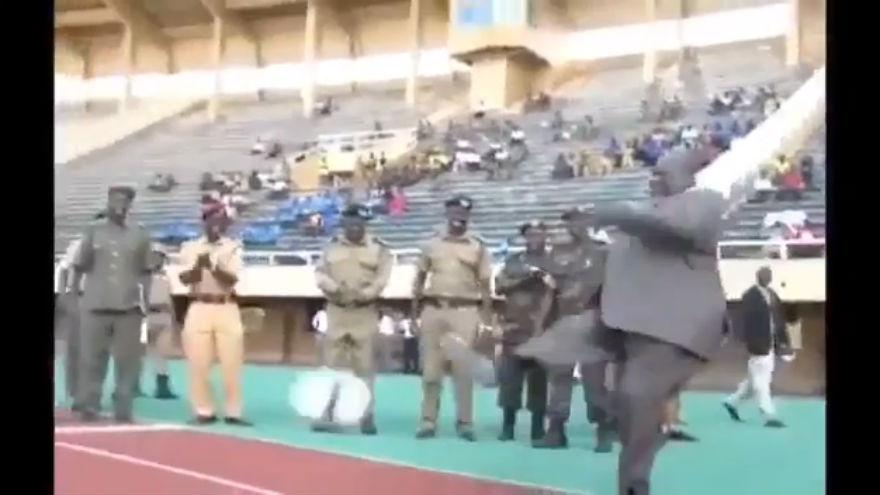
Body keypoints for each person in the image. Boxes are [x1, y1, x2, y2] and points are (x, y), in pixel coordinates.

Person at [593, 148, 728, 495]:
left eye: (662, 174)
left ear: (686, 177)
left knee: (637, 395)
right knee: (627, 403)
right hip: (632, 327)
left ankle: (634, 485)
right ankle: (651, 443)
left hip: (673, 326)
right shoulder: (643, 218)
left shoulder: (703, 202)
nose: (653, 180)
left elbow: (676, 227)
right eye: (652, 174)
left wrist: (623, 213)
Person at [411, 195, 494, 441]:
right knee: (431, 370)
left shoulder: (478, 247)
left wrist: (487, 323)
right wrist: (414, 315)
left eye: (463, 213)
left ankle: (465, 423)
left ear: (469, 216)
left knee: (463, 370)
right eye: (454, 212)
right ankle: (428, 421)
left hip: (464, 311)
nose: (459, 217)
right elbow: (419, 281)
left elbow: (485, 286)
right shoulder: (431, 244)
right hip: (433, 309)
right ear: (447, 214)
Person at [533, 207, 614, 453]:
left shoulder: (603, 252)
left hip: (593, 320)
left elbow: (613, 290)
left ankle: (604, 430)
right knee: (559, 378)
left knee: (595, 381)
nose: (574, 226)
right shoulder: (558, 253)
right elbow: (550, 291)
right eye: (569, 221)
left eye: (580, 221)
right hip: (564, 321)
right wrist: (541, 325)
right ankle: (556, 430)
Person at [70, 186, 152, 423]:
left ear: (129, 205)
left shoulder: (140, 234)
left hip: (128, 308)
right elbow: (80, 266)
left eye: (123, 200)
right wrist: (74, 298)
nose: (118, 205)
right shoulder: (93, 231)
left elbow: (146, 271)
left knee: (128, 361)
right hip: (95, 306)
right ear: (107, 202)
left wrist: (145, 301)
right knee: (91, 359)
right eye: (114, 200)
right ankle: (90, 404)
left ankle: (124, 408)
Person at [313, 203, 392, 435]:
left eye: (360, 223)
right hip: (337, 311)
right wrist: (335, 289)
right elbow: (320, 274)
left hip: (364, 312)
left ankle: (366, 417)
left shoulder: (378, 249)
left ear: (365, 224)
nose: (355, 227)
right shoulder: (331, 246)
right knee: (332, 365)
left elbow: (382, 279)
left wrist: (363, 295)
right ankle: (327, 413)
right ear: (344, 223)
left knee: (364, 367)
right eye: (351, 222)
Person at [178, 202, 251, 426]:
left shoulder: (233, 247)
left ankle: (234, 411)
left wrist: (212, 266)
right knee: (198, 362)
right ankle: (204, 410)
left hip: (226, 305)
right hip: (199, 304)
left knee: (232, 362)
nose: (217, 224)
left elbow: (232, 279)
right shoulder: (190, 247)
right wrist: (198, 268)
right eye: (212, 219)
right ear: (205, 222)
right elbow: (184, 279)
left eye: (221, 220)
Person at [494, 220, 554, 444]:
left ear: (546, 236)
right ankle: (508, 426)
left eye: (539, 234)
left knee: (539, 382)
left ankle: (538, 428)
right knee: (510, 381)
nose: (535, 238)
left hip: (542, 330)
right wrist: (527, 279)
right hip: (514, 329)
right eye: (530, 234)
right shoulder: (514, 261)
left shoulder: (555, 261)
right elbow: (500, 286)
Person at [723, 267, 792, 428]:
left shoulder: (772, 294)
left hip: (772, 342)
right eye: (764, 275)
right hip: (758, 344)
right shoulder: (750, 296)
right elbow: (744, 321)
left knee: (754, 380)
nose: (767, 277)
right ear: (758, 277)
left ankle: (732, 402)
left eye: (769, 275)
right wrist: (747, 341)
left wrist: (784, 342)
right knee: (762, 379)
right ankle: (768, 413)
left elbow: (779, 319)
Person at [141, 244, 179, 400]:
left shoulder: (165, 277)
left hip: (164, 319)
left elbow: (169, 299)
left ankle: (163, 388)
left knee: (162, 353)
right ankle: (130, 386)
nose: (157, 260)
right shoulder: (140, 277)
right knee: (137, 354)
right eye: (155, 256)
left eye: (160, 257)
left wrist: (174, 319)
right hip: (145, 318)